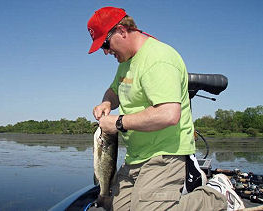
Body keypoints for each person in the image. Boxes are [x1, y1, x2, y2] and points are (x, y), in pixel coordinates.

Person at [87, 6, 245, 211]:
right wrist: (106, 103)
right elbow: (114, 90)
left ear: (121, 31)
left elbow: (168, 114)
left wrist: (117, 122)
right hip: (135, 156)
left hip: (166, 153)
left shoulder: (158, 59)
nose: (106, 52)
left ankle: (216, 194)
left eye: (105, 44)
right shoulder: (125, 63)